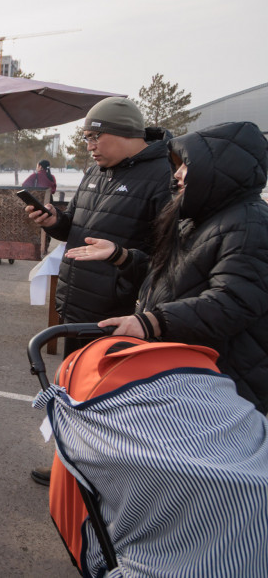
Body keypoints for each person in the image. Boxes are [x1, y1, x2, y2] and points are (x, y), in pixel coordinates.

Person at [64, 121, 268, 413]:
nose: (178, 174)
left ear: (220, 169)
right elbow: (176, 278)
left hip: (223, 379)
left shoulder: (251, 224)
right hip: (190, 369)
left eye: (186, 165)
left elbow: (234, 302)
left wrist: (154, 321)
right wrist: (122, 256)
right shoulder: (206, 217)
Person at [24, 96, 172, 485]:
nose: (88, 144)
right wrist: (54, 221)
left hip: (118, 311)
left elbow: (166, 256)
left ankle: (102, 476)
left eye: (94, 136)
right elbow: (76, 228)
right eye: (86, 137)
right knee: (73, 388)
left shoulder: (162, 177)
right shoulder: (95, 172)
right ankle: (68, 464)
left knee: (111, 398)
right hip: (77, 301)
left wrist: (122, 259)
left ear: (123, 133)